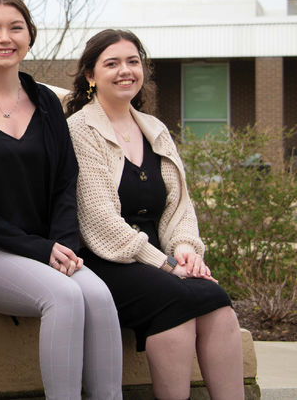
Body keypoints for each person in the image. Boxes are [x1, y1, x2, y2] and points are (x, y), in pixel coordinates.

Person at [0, 0, 123, 400]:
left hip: (46, 247)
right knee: (64, 298)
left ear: (29, 37)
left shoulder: (46, 103)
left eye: (15, 28)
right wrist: (39, 249)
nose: (5, 37)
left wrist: (63, 245)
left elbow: (65, 182)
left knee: (97, 295)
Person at [65, 29, 244, 400]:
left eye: (132, 61)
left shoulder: (155, 130)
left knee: (218, 303)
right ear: (90, 76)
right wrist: (164, 263)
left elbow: (181, 205)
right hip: (106, 259)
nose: (124, 71)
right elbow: (98, 219)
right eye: (111, 64)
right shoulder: (80, 130)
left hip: (161, 260)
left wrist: (185, 250)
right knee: (174, 301)